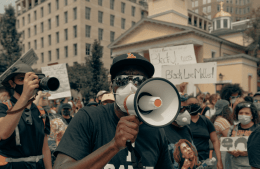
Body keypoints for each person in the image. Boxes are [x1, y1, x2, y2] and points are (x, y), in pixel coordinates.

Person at [53, 53, 173, 169]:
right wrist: (113, 146)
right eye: (122, 80)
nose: (131, 87)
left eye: (139, 80)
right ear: (112, 85)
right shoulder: (88, 118)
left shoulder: (156, 130)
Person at [0, 63, 52, 169]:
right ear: (12, 83)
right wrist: (25, 95)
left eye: (30, 79)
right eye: (21, 79)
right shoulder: (3, 107)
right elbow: (3, 133)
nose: (26, 83)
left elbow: (45, 148)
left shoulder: (40, 112)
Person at [187, 97, 223, 169]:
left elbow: (215, 140)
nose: (194, 105)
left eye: (196, 104)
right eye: (191, 104)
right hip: (187, 160)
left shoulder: (206, 121)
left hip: (204, 161)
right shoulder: (182, 122)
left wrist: (219, 160)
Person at [227, 101, 260, 169]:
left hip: (252, 166)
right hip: (235, 165)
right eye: (240, 113)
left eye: (247, 113)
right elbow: (227, 145)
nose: (243, 115)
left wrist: (247, 152)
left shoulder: (257, 130)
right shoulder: (232, 128)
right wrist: (231, 151)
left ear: (252, 116)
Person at [164, 104, 195, 169]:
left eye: (186, 109)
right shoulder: (163, 131)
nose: (185, 112)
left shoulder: (187, 128)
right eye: (181, 110)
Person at [210, 100, 233, 169]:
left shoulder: (216, 119)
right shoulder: (222, 121)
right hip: (223, 152)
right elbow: (230, 138)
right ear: (226, 109)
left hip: (219, 151)